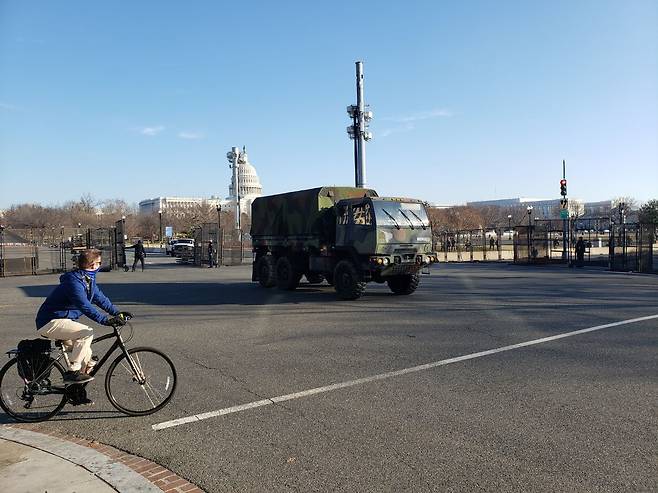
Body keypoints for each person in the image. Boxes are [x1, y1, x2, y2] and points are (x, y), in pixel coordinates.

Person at [35, 249, 132, 394]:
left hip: (63, 321)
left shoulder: (88, 279)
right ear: (92, 265)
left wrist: (117, 313)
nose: (100, 265)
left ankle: (76, 393)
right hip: (50, 321)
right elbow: (84, 305)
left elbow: (100, 299)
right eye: (99, 262)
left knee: (87, 358)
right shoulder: (74, 282)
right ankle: (72, 372)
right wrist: (105, 320)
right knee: (86, 333)